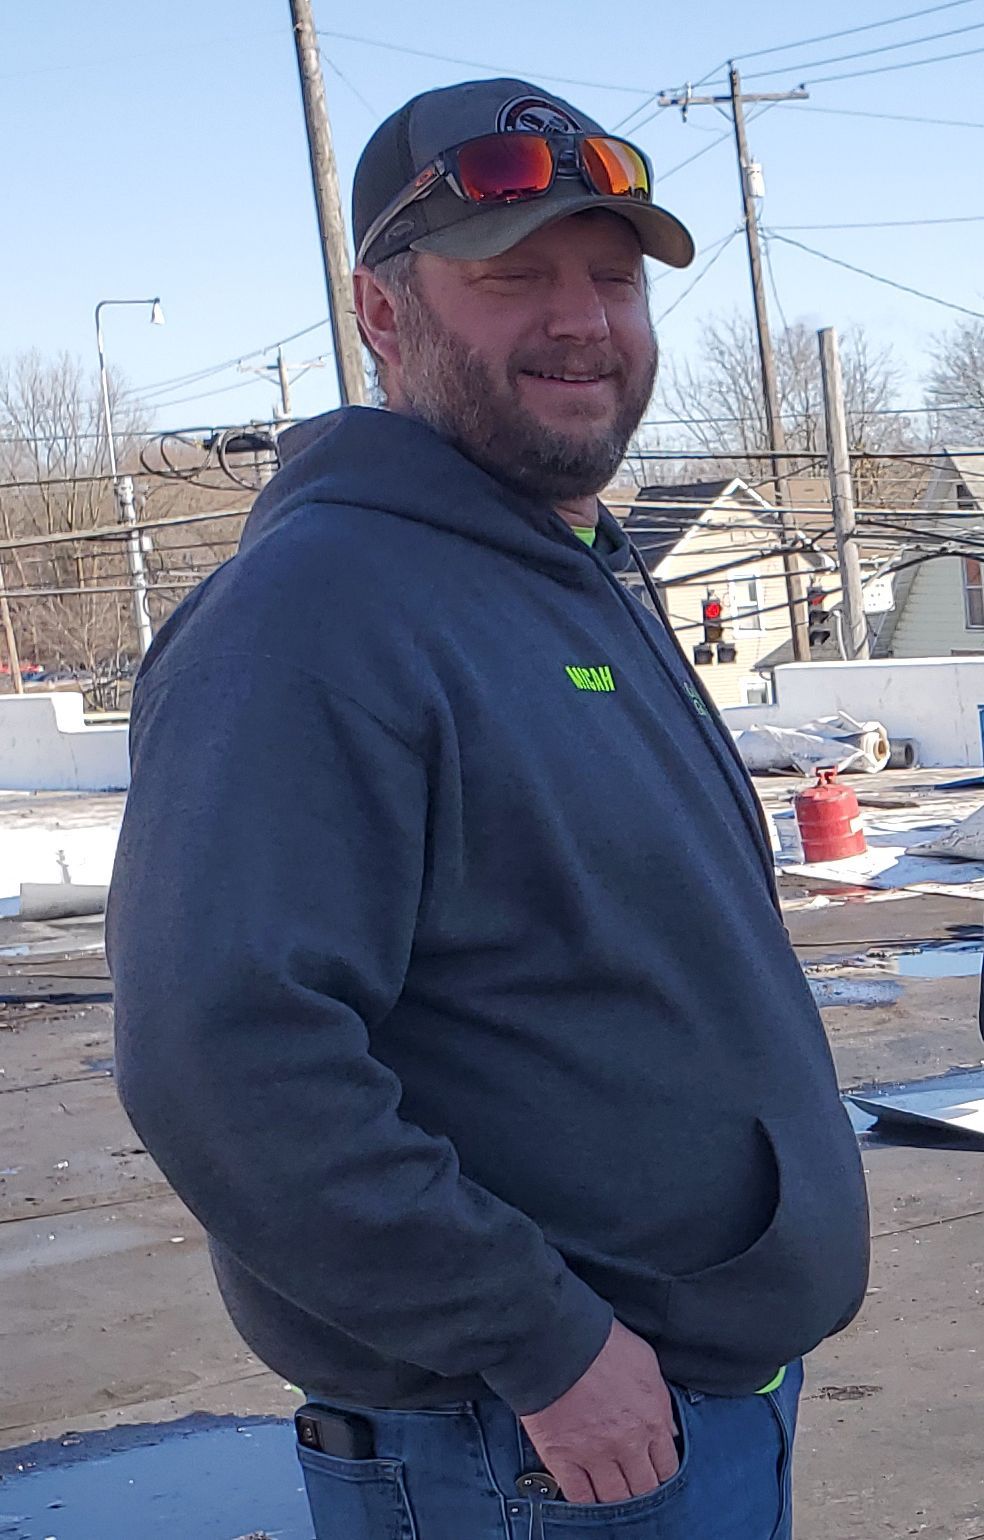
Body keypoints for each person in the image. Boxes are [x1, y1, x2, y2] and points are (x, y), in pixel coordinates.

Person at [108, 77, 870, 1540]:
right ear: (384, 315)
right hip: (529, 1452)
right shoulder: (318, 615)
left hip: (684, 1416)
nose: (581, 319)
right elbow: (228, 1054)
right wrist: (548, 1345)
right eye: (513, 278)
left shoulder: (563, 573)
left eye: (610, 276)